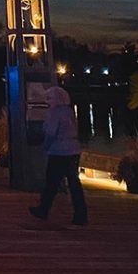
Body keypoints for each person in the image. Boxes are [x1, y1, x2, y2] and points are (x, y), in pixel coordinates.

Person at [29, 84, 88, 227]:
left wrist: (45, 146)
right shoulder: (69, 112)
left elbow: (50, 133)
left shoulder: (54, 113)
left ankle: (43, 209)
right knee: (74, 184)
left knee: (51, 182)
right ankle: (81, 214)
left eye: (49, 98)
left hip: (58, 151)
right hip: (73, 150)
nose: (47, 101)